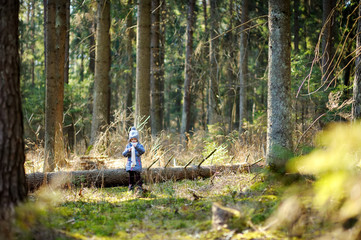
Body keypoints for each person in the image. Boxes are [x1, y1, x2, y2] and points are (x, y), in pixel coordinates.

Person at [122, 127, 145, 192]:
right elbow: (124, 154)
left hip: (137, 163)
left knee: (138, 175)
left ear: (137, 139)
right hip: (130, 164)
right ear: (130, 139)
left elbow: (143, 151)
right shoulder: (128, 146)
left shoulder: (139, 145)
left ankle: (139, 186)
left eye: (135, 139)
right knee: (131, 176)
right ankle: (130, 186)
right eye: (132, 139)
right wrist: (128, 150)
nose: (134, 140)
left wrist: (136, 146)